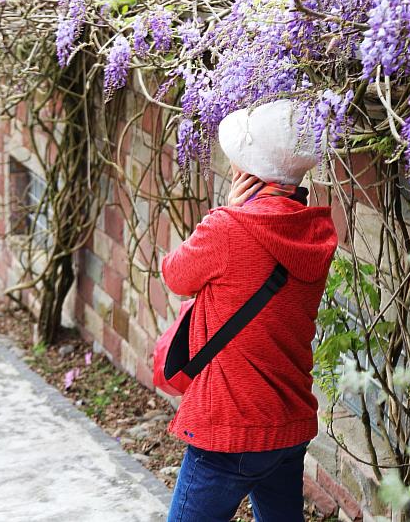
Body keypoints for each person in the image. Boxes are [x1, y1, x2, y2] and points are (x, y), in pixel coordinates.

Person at [162, 100, 338, 522]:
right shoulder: (316, 229)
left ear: (251, 170)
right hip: (287, 421)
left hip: (230, 424)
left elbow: (175, 275)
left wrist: (225, 212)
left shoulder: (228, 226)